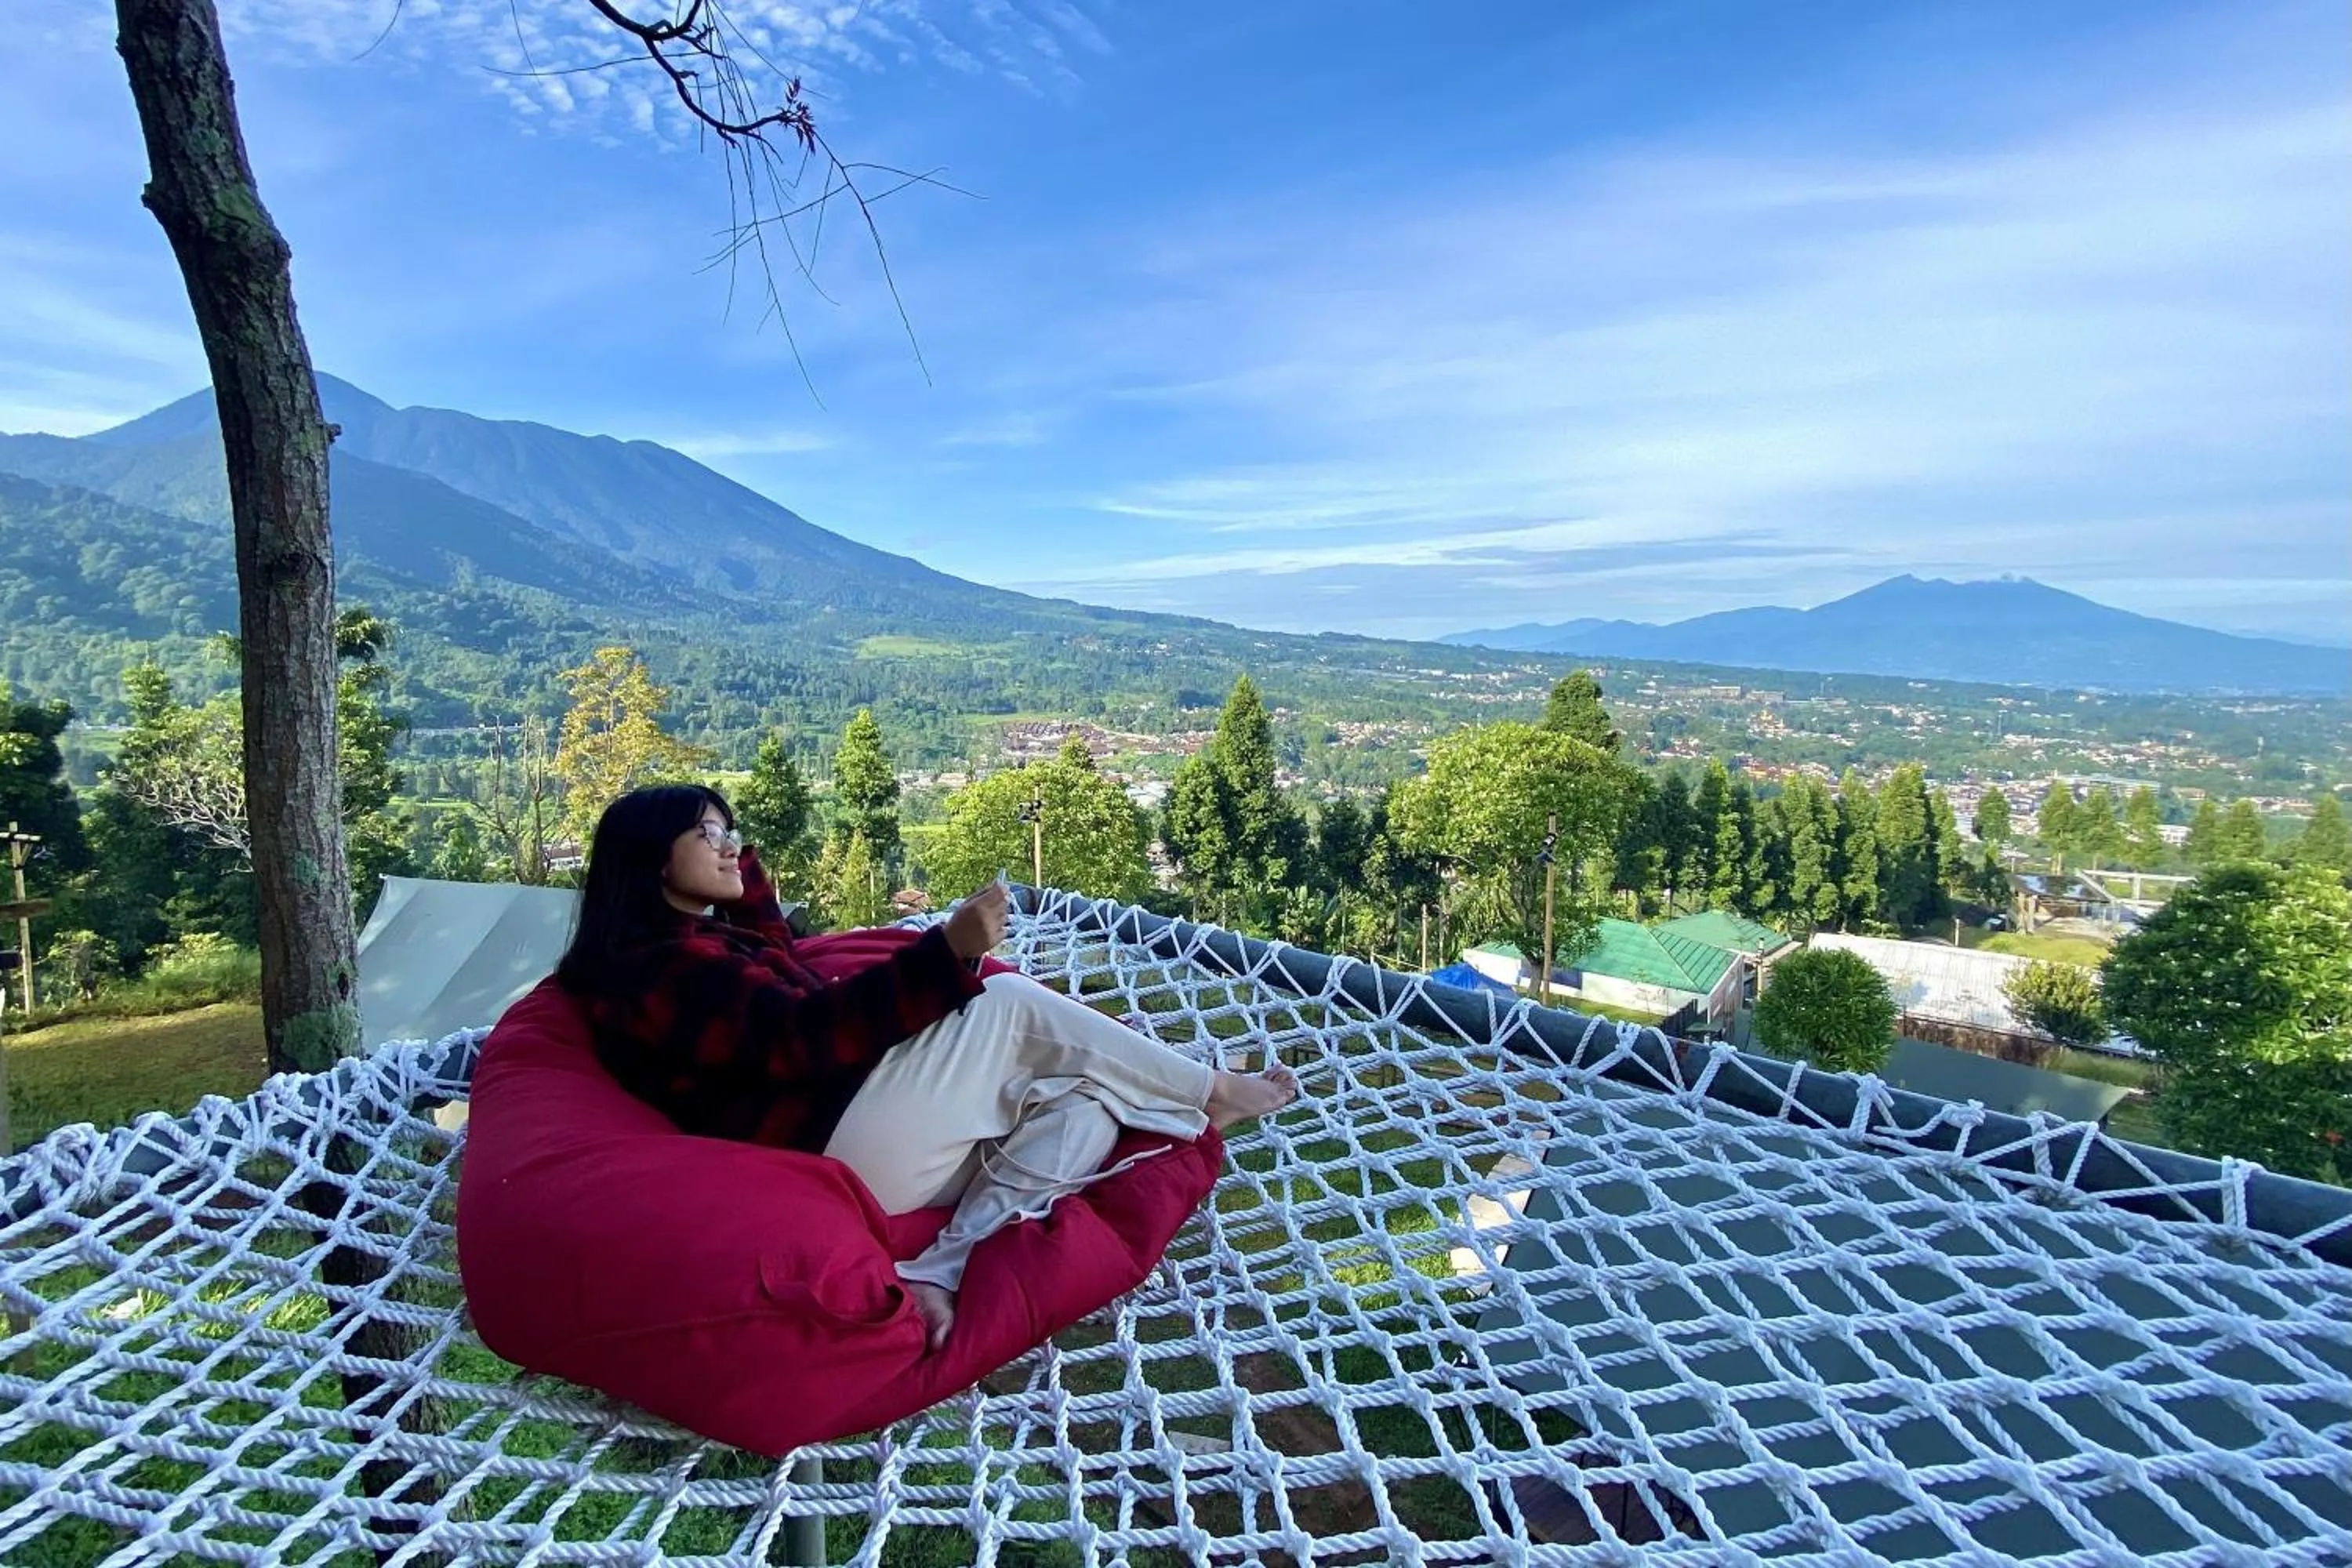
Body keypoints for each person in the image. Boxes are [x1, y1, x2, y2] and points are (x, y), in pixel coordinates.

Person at [554, 784, 1298, 1351]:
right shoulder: (658, 971)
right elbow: (800, 1039)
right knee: (1007, 999)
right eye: (707, 833)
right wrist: (948, 951)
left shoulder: (693, 949)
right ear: (651, 857)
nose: (726, 844)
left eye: (729, 831)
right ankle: (1211, 1092)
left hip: (881, 1145)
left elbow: (777, 964)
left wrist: (740, 867)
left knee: (1084, 1107)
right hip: (832, 1136)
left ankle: (942, 1268)